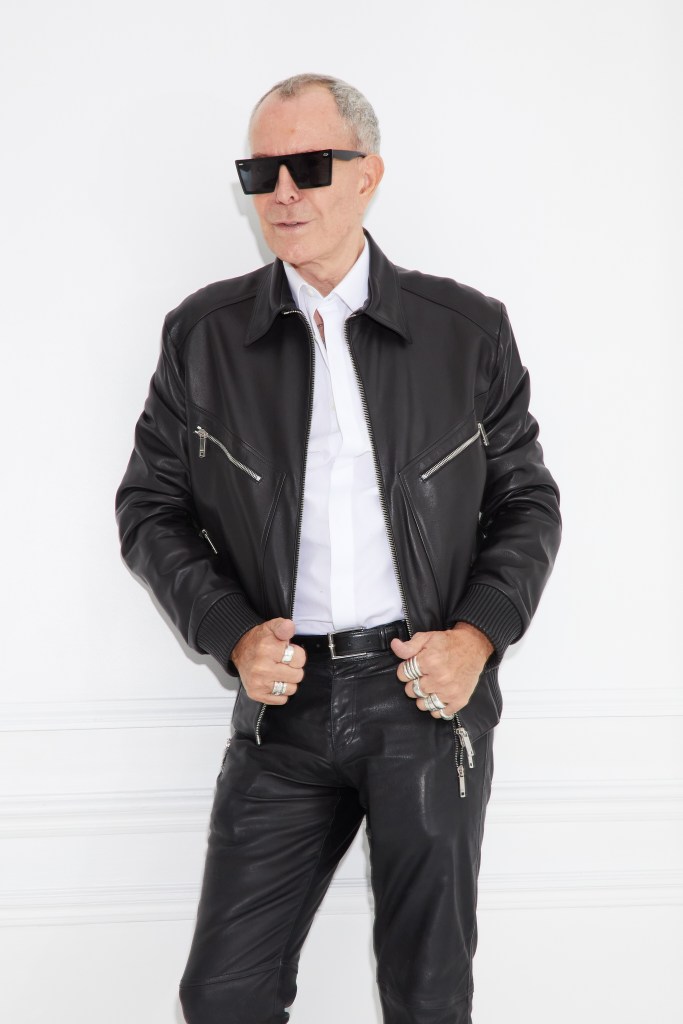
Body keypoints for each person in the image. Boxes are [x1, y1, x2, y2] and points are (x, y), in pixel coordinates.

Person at [115, 73, 561, 1024]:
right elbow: (150, 507)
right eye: (261, 171)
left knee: (425, 996)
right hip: (283, 710)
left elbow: (526, 503)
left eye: (309, 165)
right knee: (223, 993)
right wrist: (232, 633)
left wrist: (475, 638)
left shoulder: (463, 330)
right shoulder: (204, 336)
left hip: (423, 701)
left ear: (368, 175)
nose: (282, 192)